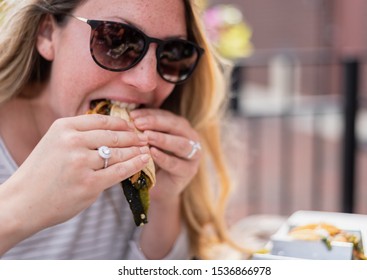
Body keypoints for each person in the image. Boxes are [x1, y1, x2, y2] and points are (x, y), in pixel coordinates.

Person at [0, 0, 234, 259]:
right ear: (47, 34)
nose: (147, 82)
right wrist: (17, 209)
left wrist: (163, 203)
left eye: (173, 53)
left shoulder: (153, 164)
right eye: (116, 41)